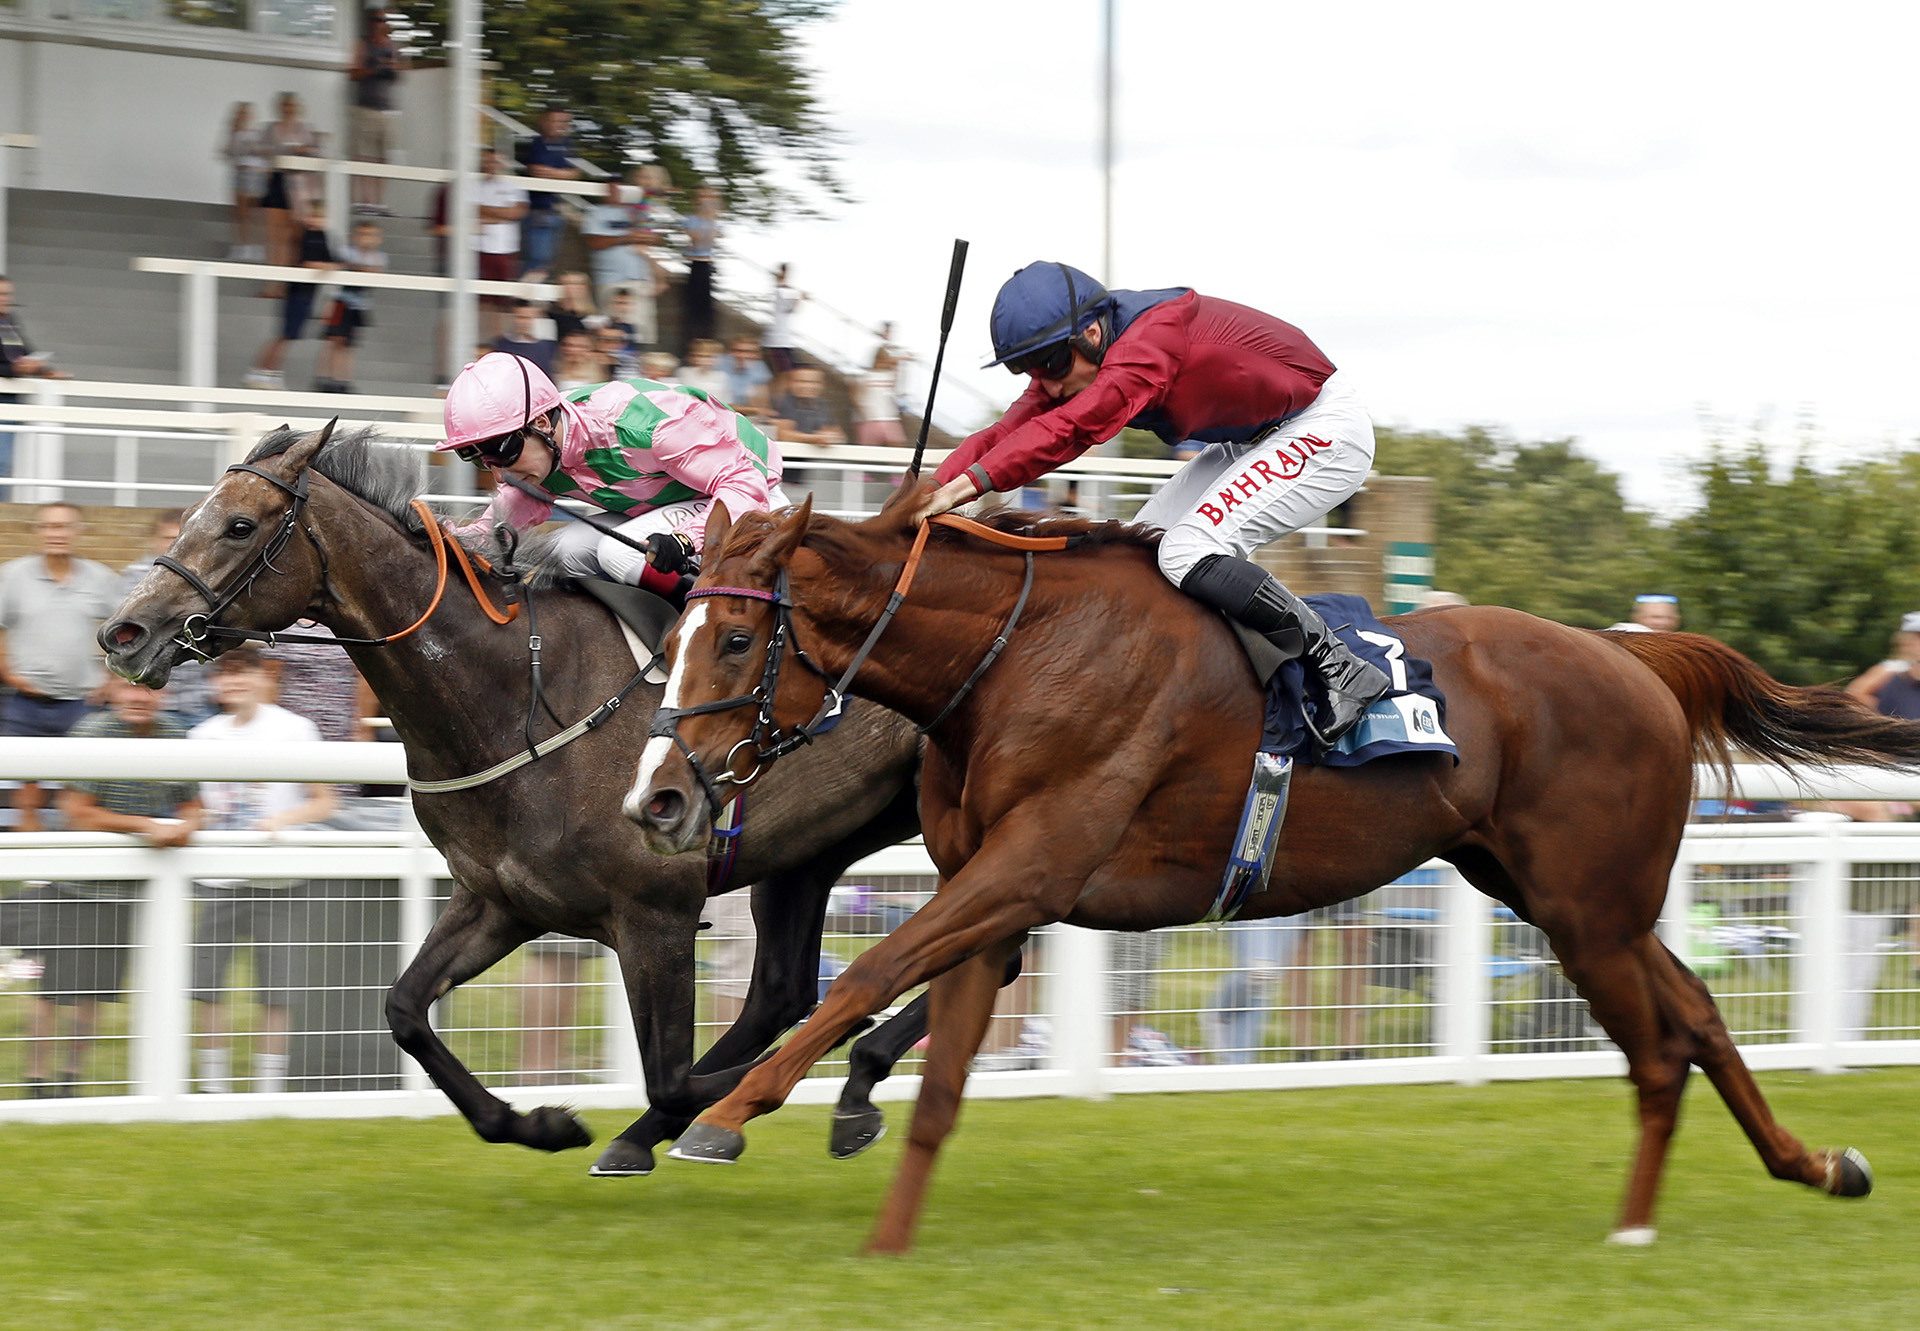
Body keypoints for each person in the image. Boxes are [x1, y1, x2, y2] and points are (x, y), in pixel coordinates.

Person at [918, 261, 1390, 744]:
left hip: (1324, 428)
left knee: (1185, 552)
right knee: (1136, 556)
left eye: (1053, 365)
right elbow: (1004, 433)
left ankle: (1341, 667)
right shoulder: (1080, 357)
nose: (1048, 385)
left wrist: (967, 488)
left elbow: (1073, 428)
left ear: (1093, 332)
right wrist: (925, 489)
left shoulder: (1151, 341)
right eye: (1029, 369)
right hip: (1251, 439)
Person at [436, 351, 787, 592]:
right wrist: (435, 539)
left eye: (503, 451)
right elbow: (495, 530)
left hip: (749, 495)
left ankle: (703, 643)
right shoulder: (541, 453)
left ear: (542, 422)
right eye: (482, 459)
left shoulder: (646, 427)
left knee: (619, 552)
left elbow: (744, 482)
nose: (499, 474)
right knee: (565, 547)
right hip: (671, 507)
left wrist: (685, 539)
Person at [0, 676, 201, 1096]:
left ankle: (70, 1082)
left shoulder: (176, 735)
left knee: (95, 991)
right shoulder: (93, 732)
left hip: (124, 891)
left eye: (148, 689)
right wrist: (146, 826)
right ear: (111, 691)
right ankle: (36, 1082)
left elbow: (193, 804)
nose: (139, 698)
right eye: (129, 688)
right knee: (52, 991)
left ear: (163, 694)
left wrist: (189, 825)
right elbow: (77, 813)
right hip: (72, 886)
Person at [189, 647, 336, 1094]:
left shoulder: (296, 730)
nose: (234, 684)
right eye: (225, 676)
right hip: (219, 876)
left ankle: (268, 1089)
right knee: (206, 985)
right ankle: (213, 1088)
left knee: (279, 988)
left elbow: (325, 799)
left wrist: (280, 822)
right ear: (214, 685)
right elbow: (199, 805)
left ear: (262, 677)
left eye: (243, 674)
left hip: (280, 877)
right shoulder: (201, 736)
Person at [0, 503, 121, 831]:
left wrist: (111, 679)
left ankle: (74, 870)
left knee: (79, 791)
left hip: (82, 703)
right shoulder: (12, 575)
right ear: (38, 532)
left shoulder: (100, 577)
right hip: (27, 702)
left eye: (65, 527)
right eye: (50, 527)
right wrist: (8, 672)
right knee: (27, 791)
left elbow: (125, 629)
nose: (58, 534)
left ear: (78, 532)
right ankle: (33, 874)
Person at [119, 509, 217, 727]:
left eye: (181, 539)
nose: (174, 546)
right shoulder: (134, 578)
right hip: (147, 703)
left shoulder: (211, 579)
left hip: (195, 702)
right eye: (168, 539)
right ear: (154, 540)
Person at [245, 197, 337, 391]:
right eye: (313, 215)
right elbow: (307, 262)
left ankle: (269, 372)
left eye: (320, 216)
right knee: (283, 337)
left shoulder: (322, 236)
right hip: (296, 293)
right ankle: (261, 372)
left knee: (287, 337)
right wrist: (321, 265)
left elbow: (332, 261)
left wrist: (325, 265)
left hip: (307, 295)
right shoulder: (303, 236)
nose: (316, 220)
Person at [1, 274, 75, 487]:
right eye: (1, 294)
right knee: (2, 462)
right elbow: (12, 364)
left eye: (8, 294)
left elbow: (25, 352)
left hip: (12, 399)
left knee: (5, 463)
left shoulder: (10, 321)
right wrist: (13, 369)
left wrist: (44, 370)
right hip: (4, 398)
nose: (6, 298)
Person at [346, 7, 406, 216]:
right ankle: (366, 202)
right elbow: (352, 73)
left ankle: (379, 203)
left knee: (384, 157)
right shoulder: (363, 44)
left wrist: (393, 66)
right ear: (371, 22)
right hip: (365, 108)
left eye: (382, 20)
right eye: (376, 19)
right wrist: (373, 68)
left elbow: (401, 74)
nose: (379, 23)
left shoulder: (393, 46)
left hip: (387, 111)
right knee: (364, 156)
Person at [258, 91, 322, 284]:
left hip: (299, 185)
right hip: (277, 179)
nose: (288, 110)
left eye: (292, 106)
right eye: (285, 106)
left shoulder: (306, 130)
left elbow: (318, 152)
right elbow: (261, 151)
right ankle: (273, 282)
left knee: (294, 234)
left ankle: (288, 281)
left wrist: (304, 150)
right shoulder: (271, 129)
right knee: (274, 234)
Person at [316, 219, 387, 392]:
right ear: (354, 236)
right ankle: (326, 377)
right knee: (334, 341)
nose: (366, 239)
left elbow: (375, 272)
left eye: (371, 235)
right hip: (340, 302)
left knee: (349, 344)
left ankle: (344, 379)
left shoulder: (379, 257)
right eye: (362, 234)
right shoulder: (346, 252)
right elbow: (344, 266)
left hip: (359, 305)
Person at [515, 106, 580, 281]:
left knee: (548, 262)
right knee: (537, 260)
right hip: (536, 210)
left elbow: (575, 173)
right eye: (556, 120)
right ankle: (525, 301)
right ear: (544, 121)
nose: (561, 125)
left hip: (555, 210)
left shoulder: (568, 145)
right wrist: (561, 174)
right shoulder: (535, 143)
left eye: (565, 122)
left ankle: (532, 303)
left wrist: (554, 173)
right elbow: (536, 170)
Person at [473, 146, 529, 341]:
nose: (491, 165)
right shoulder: (473, 185)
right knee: (482, 299)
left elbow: (517, 213)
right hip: (480, 248)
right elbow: (472, 210)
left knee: (503, 299)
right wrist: (502, 213)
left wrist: (487, 213)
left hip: (506, 249)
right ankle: (481, 339)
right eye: (487, 161)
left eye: (495, 161)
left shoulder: (513, 185)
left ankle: (500, 340)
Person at [581, 176, 657, 310]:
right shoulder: (595, 213)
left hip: (639, 280)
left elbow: (654, 239)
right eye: (611, 189)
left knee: (642, 328)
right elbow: (595, 242)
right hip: (610, 281)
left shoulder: (637, 212)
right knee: (612, 326)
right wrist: (627, 238)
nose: (615, 192)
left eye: (618, 188)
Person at [220, 101, 269, 261]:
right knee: (240, 213)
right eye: (240, 113)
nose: (243, 117)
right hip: (240, 172)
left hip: (255, 173)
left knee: (254, 212)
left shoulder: (258, 133)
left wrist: (255, 150)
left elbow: (266, 152)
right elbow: (227, 152)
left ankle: (256, 246)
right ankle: (241, 245)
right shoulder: (234, 133)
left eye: (245, 113)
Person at [680, 182, 723, 351]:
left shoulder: (714, 221)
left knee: (708, 313)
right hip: (696, 265)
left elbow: (711, 240)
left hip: (708, 265)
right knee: (693, 311)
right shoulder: (691, 219)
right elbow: (699, 242)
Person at [772, 365, 847, 446]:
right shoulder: (785, 402)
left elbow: (839, 435)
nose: (808, 386)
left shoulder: (822, 405)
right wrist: (815, 438)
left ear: (822, 385)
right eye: (802, 381)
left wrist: (829, 436)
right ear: (791, 384)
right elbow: (783, 435)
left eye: (814, 382)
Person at [855, 343, 908, 446]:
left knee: (897, 448)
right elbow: (858, 397)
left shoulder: (888, 375)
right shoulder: (866, 377)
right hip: (872, 419)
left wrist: (899, 362)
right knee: (870, 453)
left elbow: (898, 386)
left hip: (889, 418)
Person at [491, 299, 557, 378]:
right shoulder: (502, 345)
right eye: (520, 317)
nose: (524, 322)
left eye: (528, 318)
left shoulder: (545, 347)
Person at [763, 263, 803, 386]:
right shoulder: (779, 292)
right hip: (776, 342)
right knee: (785, 374)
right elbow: (792, 306)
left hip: (784, 341)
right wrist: (800, 297)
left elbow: (793, 308)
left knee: (790, 373)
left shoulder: (783, 291)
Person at [722, 334, 773, 416]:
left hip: (745, 416)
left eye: (749, 352)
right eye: (738, 351)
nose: (743, 356)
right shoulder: (719, 364)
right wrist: (752, 409)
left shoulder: (759, 368)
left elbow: (762, 405)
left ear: (757, 355)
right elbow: (718, 402)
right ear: (730, 352)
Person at [1608, 593, 1681, 633]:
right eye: (1655, 617)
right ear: (1635, 617)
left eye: (1669, 618)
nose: (1661, 623)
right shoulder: (1620, 637)